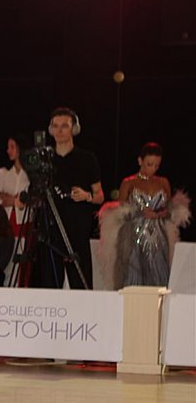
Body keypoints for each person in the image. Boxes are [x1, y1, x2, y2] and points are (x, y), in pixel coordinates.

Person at [99, 143, 191, 288]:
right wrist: (139, 212)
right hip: (134, 236)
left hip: (158, 237)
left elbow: (169, 208)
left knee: (159, 274)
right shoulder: (129, 183)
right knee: (134, 274)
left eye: (156, 165)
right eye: (149, 164)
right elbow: (120, 213)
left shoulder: (163, 182)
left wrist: (163, 213)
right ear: (140, 161)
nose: (153, 168)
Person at [32, 108, 104, 289]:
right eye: (55, 126)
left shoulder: (87, 159)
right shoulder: (45, 161)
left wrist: (86, 196)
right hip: (50, 231)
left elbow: (100, 196)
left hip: (77, 230)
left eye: (64, 126)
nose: (59, 131)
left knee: (81, 284)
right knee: (49, 285)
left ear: (74, 129)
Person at [0, 136, 30, 233]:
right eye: (8, 147)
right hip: (7, 220)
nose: (8, 151)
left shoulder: (29, 174)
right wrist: (15, 200)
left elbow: (32, 199)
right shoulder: (3, 172)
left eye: (12, 147)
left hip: (25, 221)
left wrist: (13, 200)